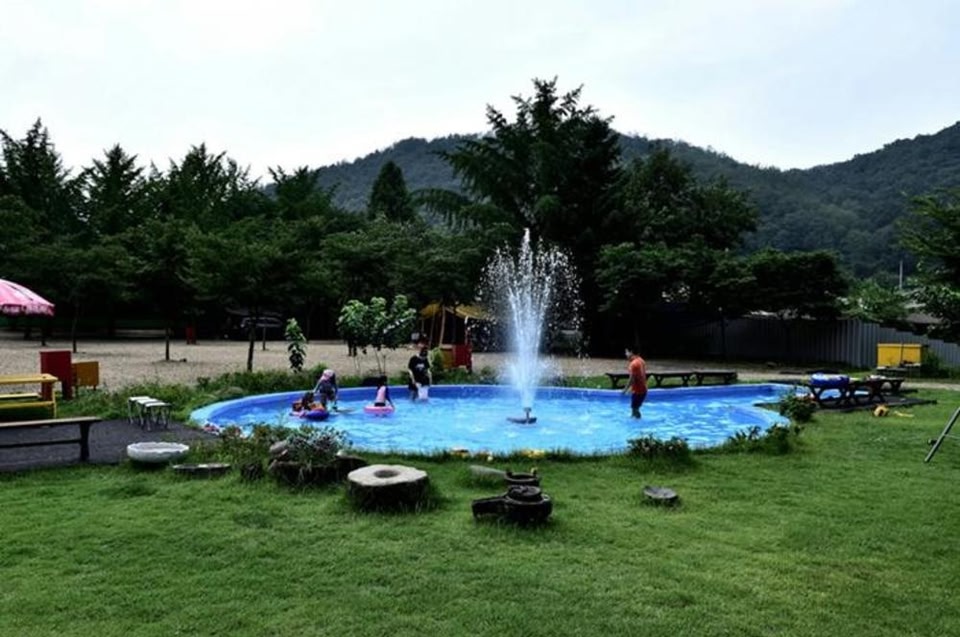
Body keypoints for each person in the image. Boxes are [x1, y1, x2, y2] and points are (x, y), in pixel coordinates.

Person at [624, 347, 648, 419]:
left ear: (631, 352)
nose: (625, 354)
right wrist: (631, 388)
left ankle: (638, 423)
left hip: (638, 391)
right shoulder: (641, 360)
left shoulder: (633, 364)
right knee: (634, 408)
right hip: (643, 390)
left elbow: (632, 379)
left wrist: (625, 389)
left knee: (635, 409)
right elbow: (639, 376)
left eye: (626, 352)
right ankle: (633, 420)